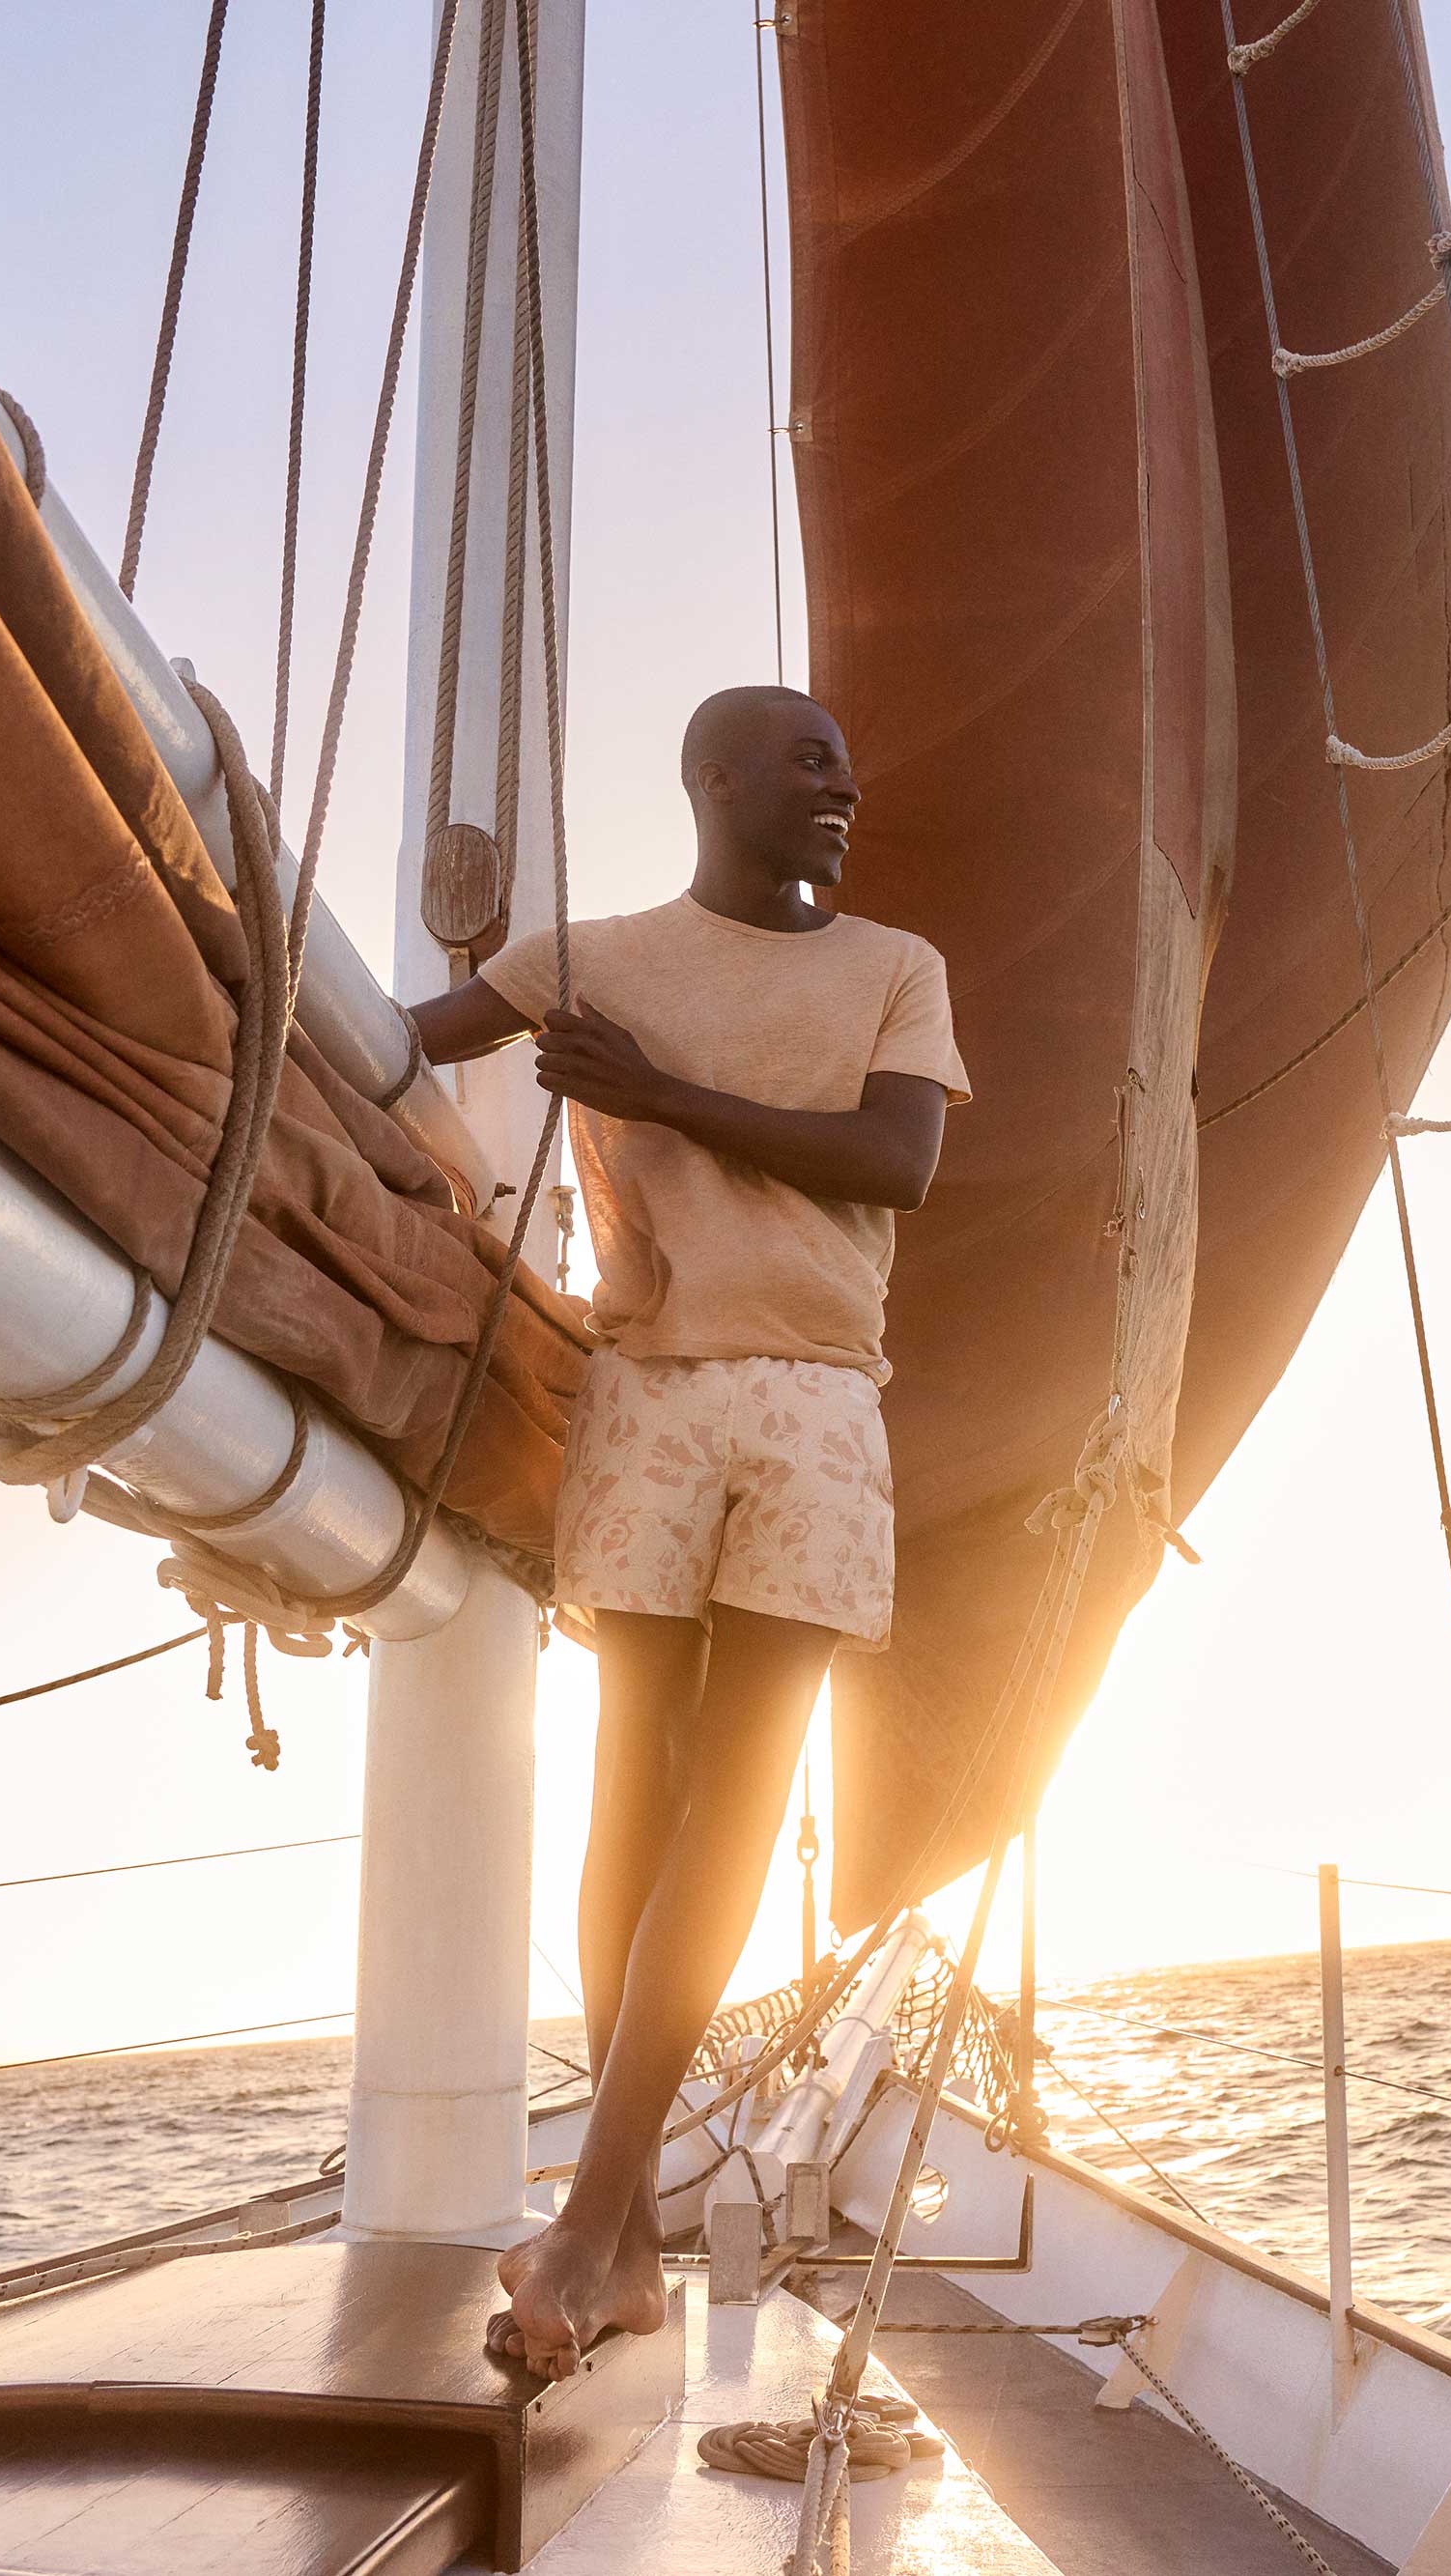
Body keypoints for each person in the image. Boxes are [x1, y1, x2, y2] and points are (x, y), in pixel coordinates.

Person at [404, 683, 969, 2382]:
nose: (843, 786)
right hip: (648, 1385)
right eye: (809, 759)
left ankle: (591, 2216)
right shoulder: (584, 960)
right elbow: (401, 1038)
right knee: (629, 1787)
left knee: (735, 1789)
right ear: (710, 774)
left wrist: (656, 1095)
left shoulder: (894, 966)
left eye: (846, 765)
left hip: (812, 1399)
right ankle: (623, 2230)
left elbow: (896, 1164)